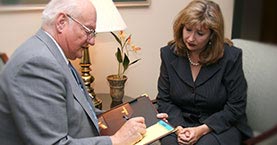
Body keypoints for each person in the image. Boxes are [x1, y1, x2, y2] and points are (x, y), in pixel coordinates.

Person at [0, 0, 167, 145]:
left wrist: (145, 118)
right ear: (61, 22)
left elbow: (85, 113)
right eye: (89, 31)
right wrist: (116, 141)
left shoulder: (53, 54)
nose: (92, 41)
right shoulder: (37, 64)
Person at [156, 0, 253, 145]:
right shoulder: (169, 54)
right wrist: (179, 127)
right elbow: (164, 99)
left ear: (212, 35)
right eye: (188, 29)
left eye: (200, 33)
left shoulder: (230, 57)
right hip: (180, 121)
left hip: (219, 125)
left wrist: (202, 129)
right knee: (170, 143)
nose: (191, 38)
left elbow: (236, 106)